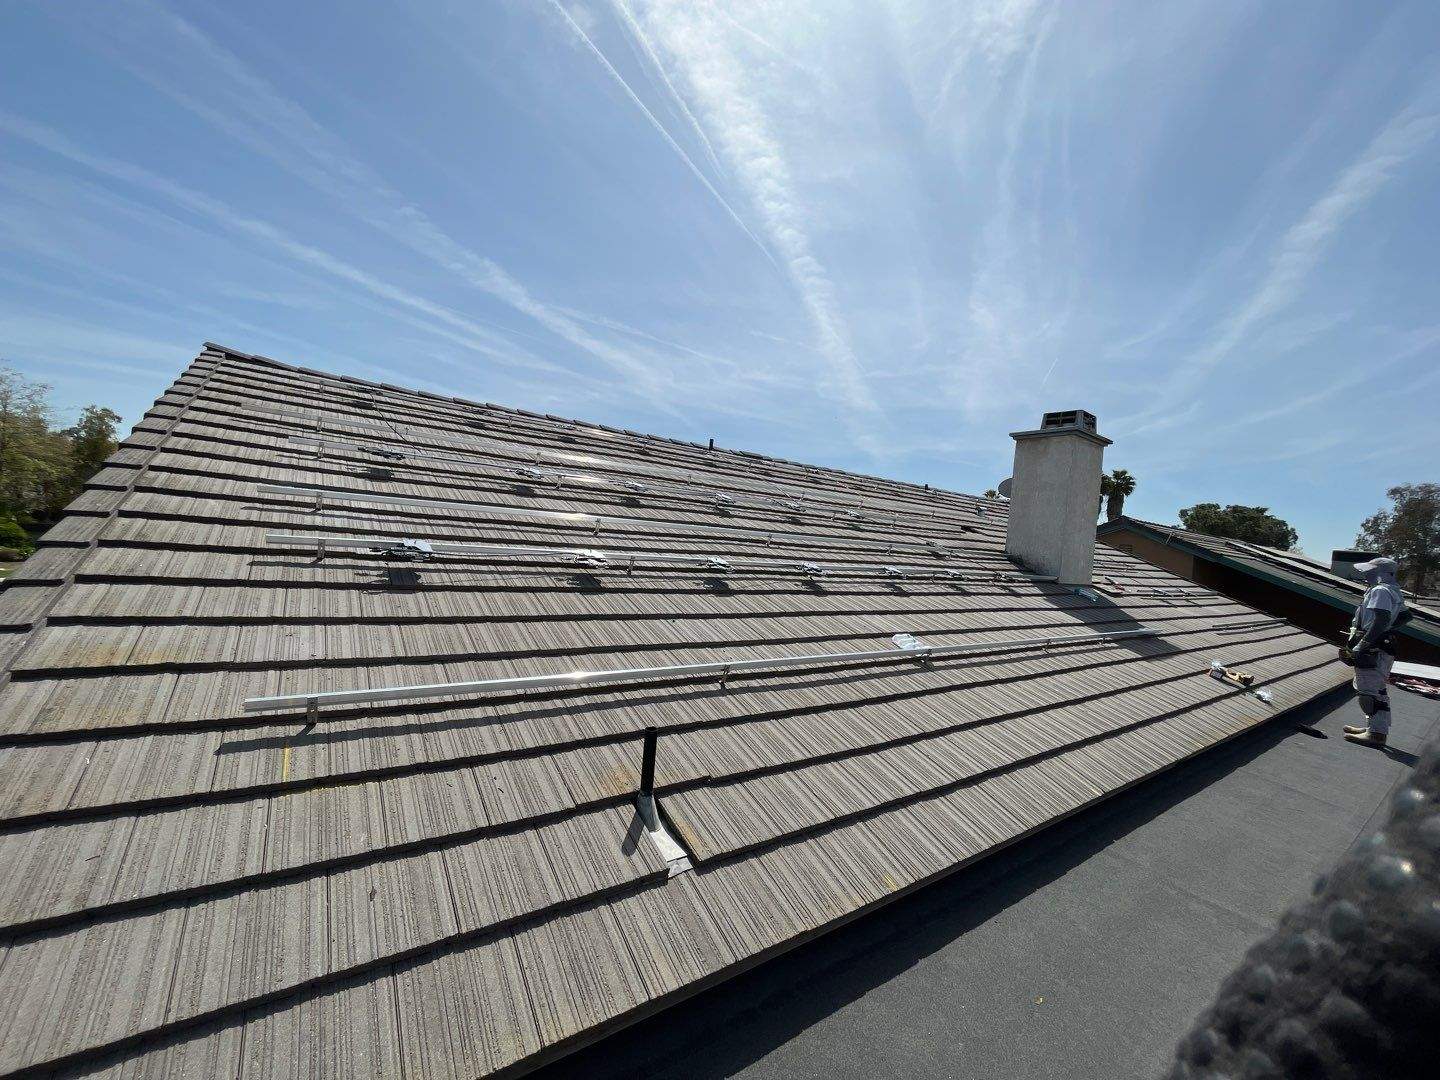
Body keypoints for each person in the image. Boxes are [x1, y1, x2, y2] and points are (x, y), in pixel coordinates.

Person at [1340, 556, 1408, 748]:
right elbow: (1405, 616)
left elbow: (1381, 618)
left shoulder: (1380, 590)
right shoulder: (1393, 590)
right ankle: (1374, 728)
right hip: (1382, 645)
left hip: (1374, 647)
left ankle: (1376, 734)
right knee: (1377, 689)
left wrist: (1364, 643)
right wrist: (1386, 630)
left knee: (1369, 691)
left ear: (1381, 573)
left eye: (1371, 571)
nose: (1366, 574)